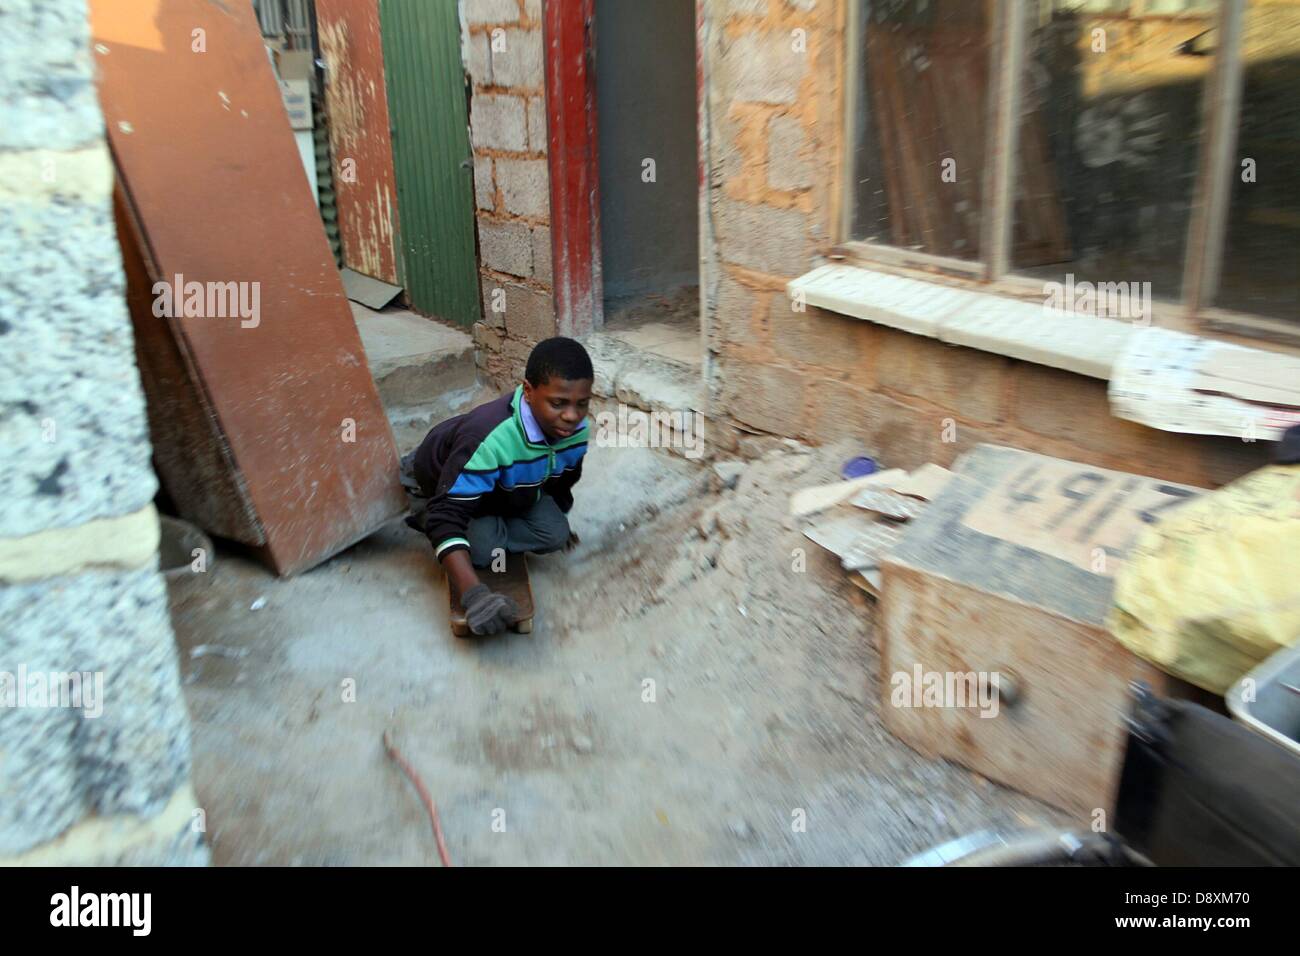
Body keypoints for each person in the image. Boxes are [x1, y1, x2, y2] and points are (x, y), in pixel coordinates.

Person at [402, 337, 593, 636]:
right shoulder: (490, 437)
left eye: (582, 404)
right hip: (439, 480)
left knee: (554, 534)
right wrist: (474, 596)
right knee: (482, 550)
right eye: (558, 403)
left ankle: (484, 525)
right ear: (528, 392)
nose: (572, 416)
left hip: (501, 489)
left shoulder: (576, 431)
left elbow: (563, 478)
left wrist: (559, 516)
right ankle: (435, 518)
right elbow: (446, 515)